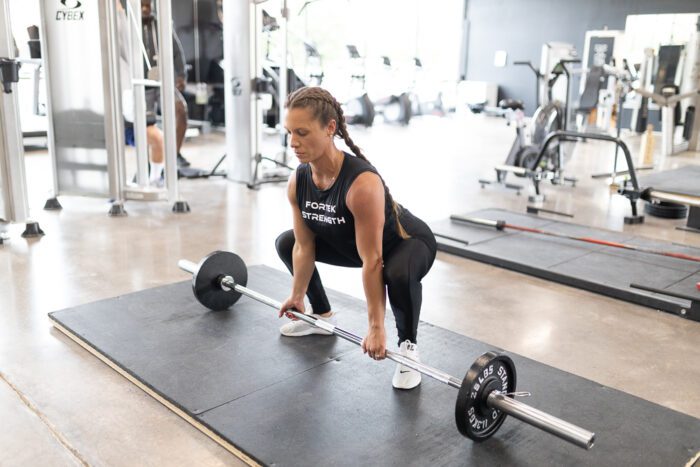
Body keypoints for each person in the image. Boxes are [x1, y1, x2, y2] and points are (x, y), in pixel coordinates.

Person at [275, 86, 437, 390]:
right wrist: (297, 294)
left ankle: (408, 348)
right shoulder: (299, 180)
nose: (293, 143)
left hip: (407, 243)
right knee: (287, 242)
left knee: (397, 272)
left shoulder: (361, 185)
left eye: (302, 132)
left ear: (330, 128)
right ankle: (321, 316)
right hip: (355, 245)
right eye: (289, 133)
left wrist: (376, 328)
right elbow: (304, 244)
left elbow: (373, 261)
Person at [117, 0, 165, 186]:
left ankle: (153, 179)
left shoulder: (127, 27)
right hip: (100, 112)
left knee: (157, 138)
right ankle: (113, 186)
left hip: (128, 101)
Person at [140, 0, 191, 168]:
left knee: (181, 111)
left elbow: (176, 51)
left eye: (148, 5)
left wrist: (181, 75)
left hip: (163, 82)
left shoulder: (162, 25)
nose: (146, 9)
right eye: (142, 5)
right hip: (142, 84)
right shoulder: (130, 26)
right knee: (147, 125)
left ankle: (174, 154)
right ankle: (150, 164)